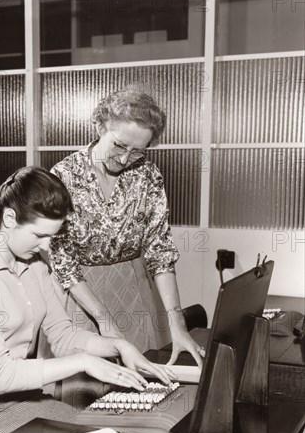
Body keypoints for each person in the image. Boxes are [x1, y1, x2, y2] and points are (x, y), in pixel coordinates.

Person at [0, 166, 173, 433]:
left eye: (52, 236)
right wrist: (85, 362)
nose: (47, 246)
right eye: (39, 235)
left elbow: (62, 335)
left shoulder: (34, 265)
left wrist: (118, 346)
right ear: (9, 219)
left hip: (21, 401)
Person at [48, 88, 205, 375]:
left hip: (133, 292)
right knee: (86, 392)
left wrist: (177, 324)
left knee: (140, 388)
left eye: (137, 151)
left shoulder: (148, 176)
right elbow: (63, 262)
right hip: (80, 297)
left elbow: (160, 253)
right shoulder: (63, 176)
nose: (124, 159)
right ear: (100, 127)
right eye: (119, 146)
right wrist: (103, 320)